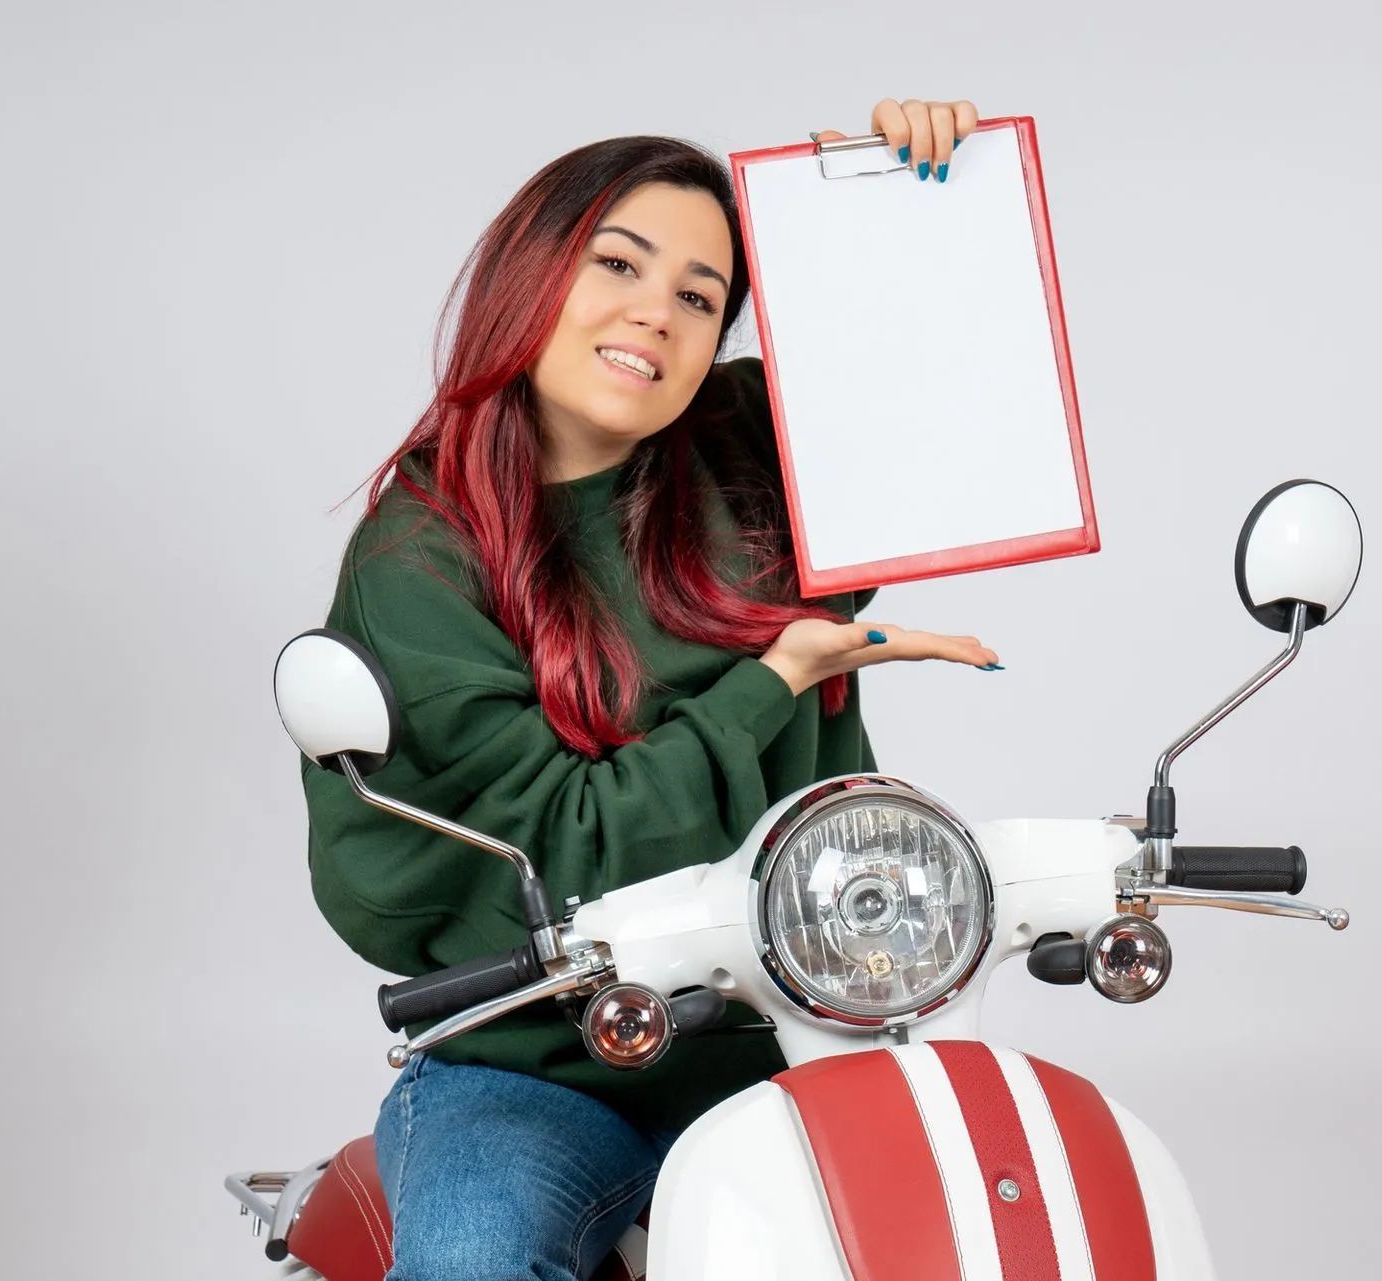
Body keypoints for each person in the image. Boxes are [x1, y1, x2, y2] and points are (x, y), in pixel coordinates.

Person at [300, 98, 995, 1279]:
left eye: (698, 295)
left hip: (779, 1043)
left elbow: (934, 396)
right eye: (618, 263)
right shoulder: (418, 556)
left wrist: (897, 203)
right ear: (534, 275)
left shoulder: (744, 459)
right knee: (473, 1263)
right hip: (531, 1069)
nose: (652, 313)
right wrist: (775, 681)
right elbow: (560, 857)